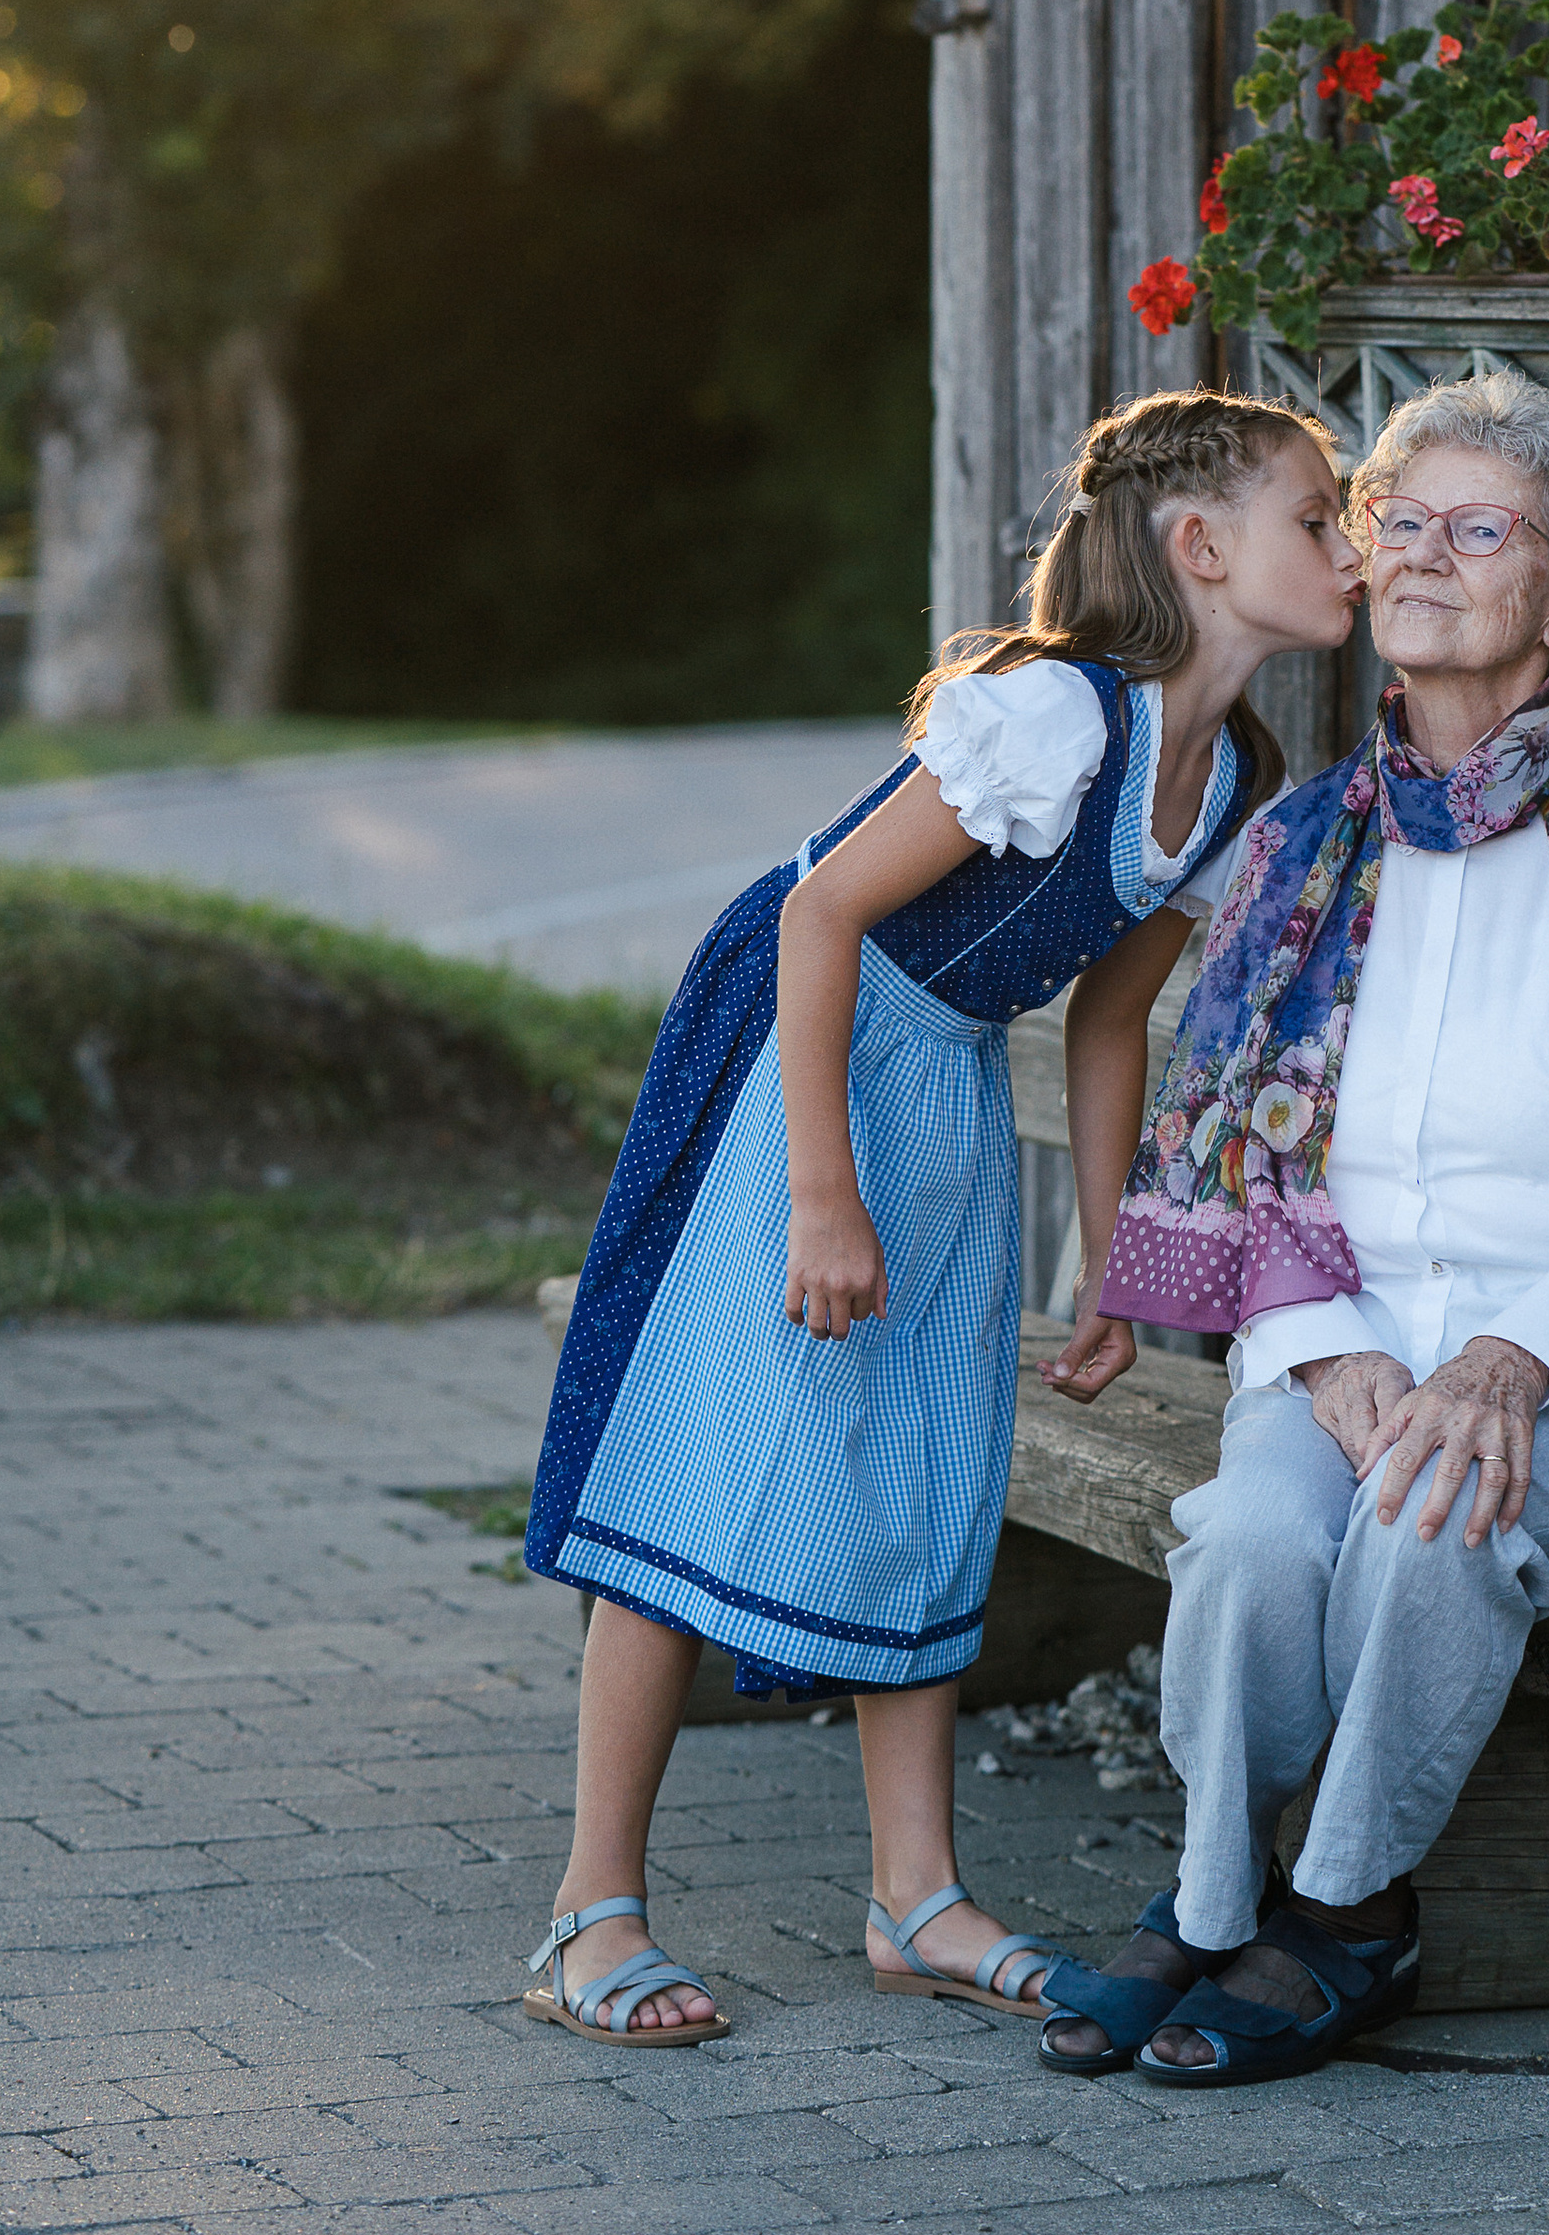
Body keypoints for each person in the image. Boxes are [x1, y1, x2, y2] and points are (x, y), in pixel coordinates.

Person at [521, 389, 1361, 2043]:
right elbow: (822, 913)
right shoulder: (1052, 715)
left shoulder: (1233, 774)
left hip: (948, 1085)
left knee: (926, 1462)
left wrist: (1119, 1261)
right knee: (710, 1451)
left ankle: (917, 1900)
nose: (1348, 548)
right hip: (805, 1060)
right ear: (1201, 549)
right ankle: (586, 1913)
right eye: (1318, 519)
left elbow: (1115, 1022)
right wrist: (820, 1194)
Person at [1033, 367, 1549, 2088]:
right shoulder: (1304, 847)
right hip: (1348, 1360)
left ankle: (1352, 1911)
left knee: (1429, 1527)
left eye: (1484, 529)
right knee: (1246, 1541)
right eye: (1399, 522)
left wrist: (1514, 1359)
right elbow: (1250, 1154)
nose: (1425, 554)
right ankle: (1213, 1897)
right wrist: (1322, 1353)